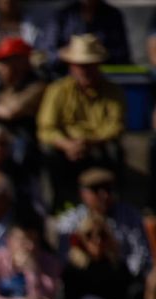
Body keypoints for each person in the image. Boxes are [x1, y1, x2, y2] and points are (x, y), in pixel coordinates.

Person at [37, 35, 124, 208]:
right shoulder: (57, 90)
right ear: (71, 66)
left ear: (98, 65)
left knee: (115, 151)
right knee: (48, 153)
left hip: (98, 145)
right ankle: (60, 204)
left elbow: (116, 126)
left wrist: (91, 142)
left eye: (89, 65)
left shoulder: (113, 91)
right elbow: (46, 128)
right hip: (66, 148)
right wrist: (67, 144)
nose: (85, 71)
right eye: (80, 66)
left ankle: (109, 203)